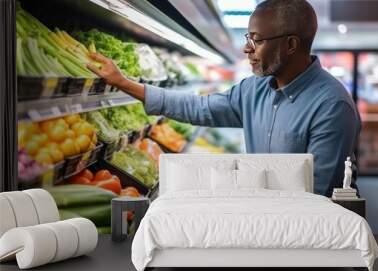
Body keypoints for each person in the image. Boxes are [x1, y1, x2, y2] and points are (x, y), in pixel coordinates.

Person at [86, 0, 361, 197]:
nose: (246, 48)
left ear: (290, 45)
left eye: (257, 40)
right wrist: (124, 84)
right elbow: (197, 107)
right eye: (247, 38)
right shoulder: (254, 90)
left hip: (306, 233)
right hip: (260, 215)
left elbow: (318, 193)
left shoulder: (331, 105)